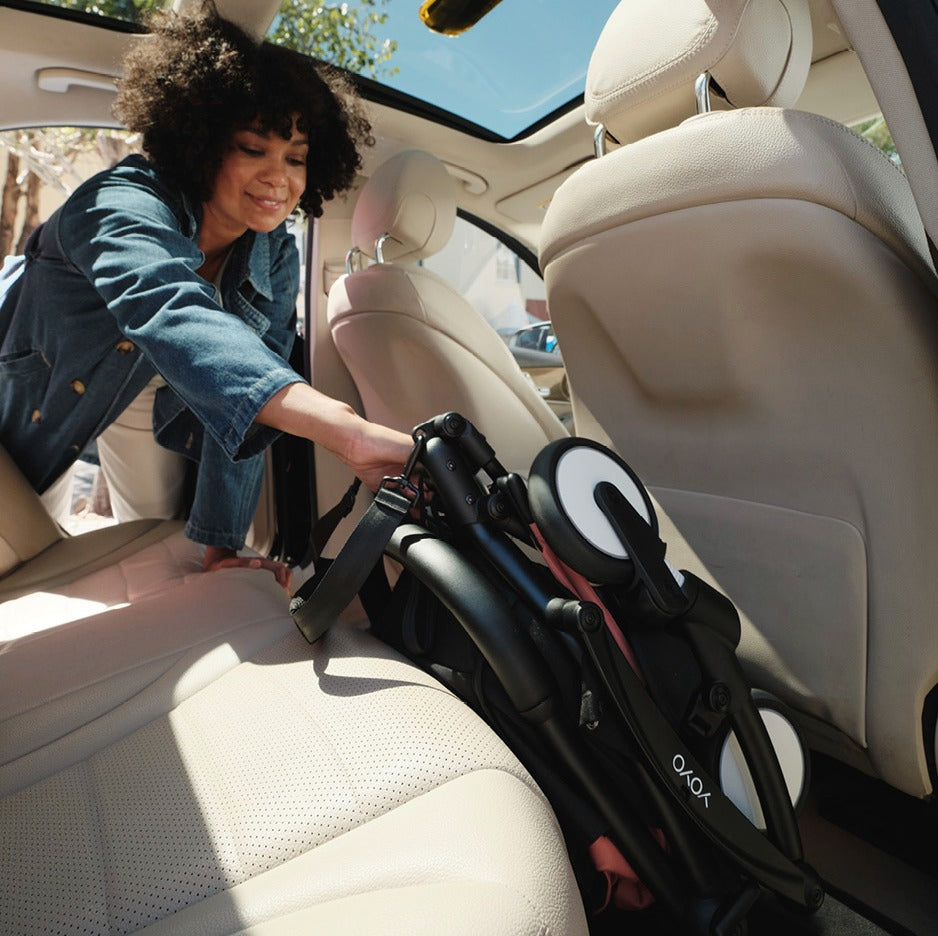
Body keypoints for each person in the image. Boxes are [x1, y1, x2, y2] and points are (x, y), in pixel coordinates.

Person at [0, 7, 413, 587]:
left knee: (154, 538)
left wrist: (221, 544)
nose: (280, 178)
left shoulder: (275, 253)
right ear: (199, 144)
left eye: (296, 157)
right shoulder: (117, 201)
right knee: (23, 549)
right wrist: (347, 431)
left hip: (152, 383)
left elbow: (250, 386)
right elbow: (168, 305)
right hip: (34, 389)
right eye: (252, 149)